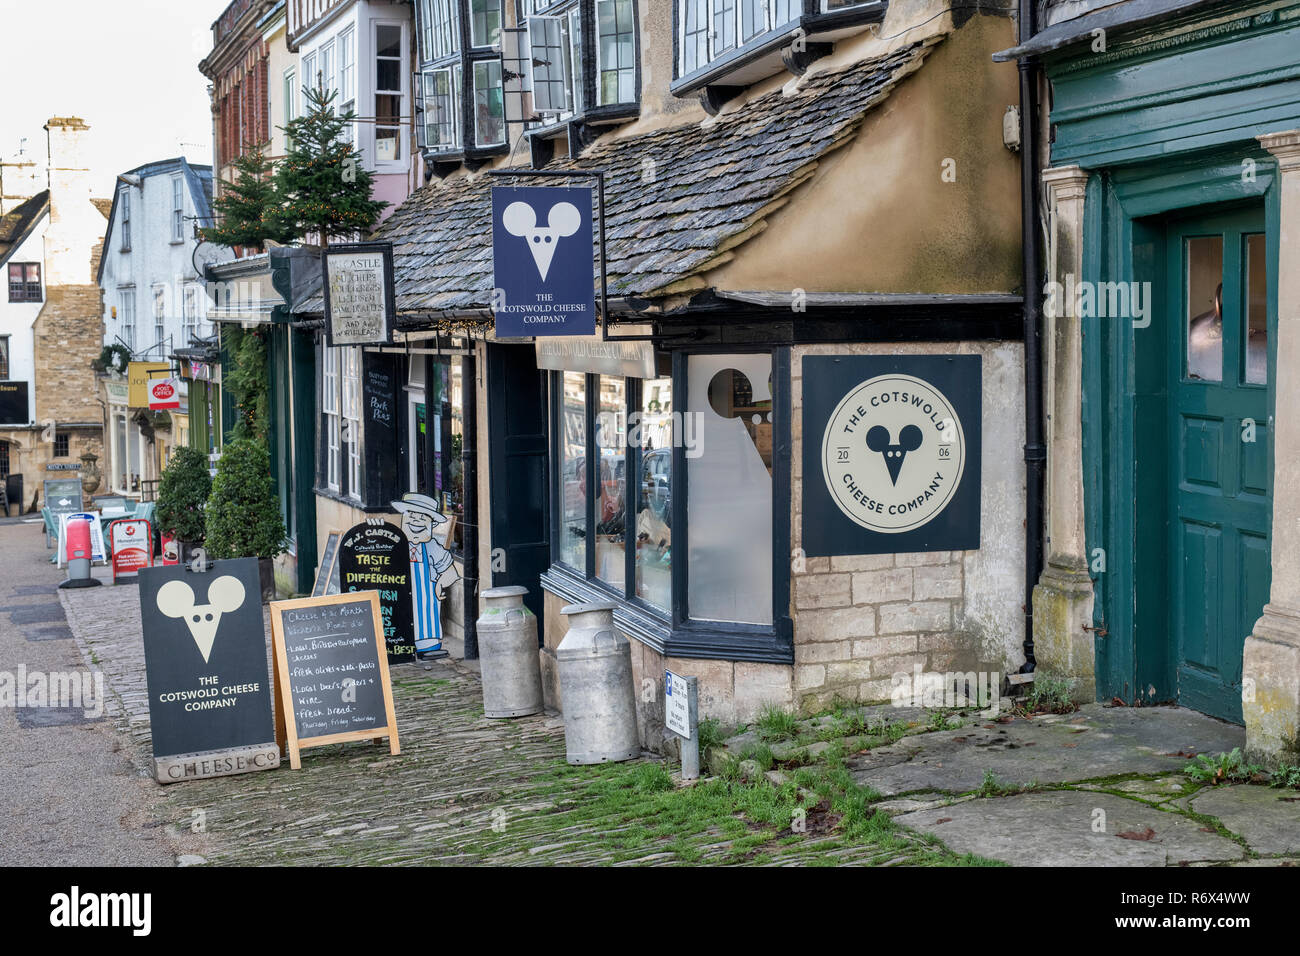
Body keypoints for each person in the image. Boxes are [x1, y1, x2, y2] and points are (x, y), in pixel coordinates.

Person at [392, 494, 459, 659]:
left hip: (427, 622)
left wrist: (440, 583)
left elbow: (451, 572)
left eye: (422, 518)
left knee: (425, 635)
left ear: (432, 524)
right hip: (400, 613)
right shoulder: (396, 545)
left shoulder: (432, 548)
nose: (416, 521)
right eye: (412, 516)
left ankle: (426, 647)